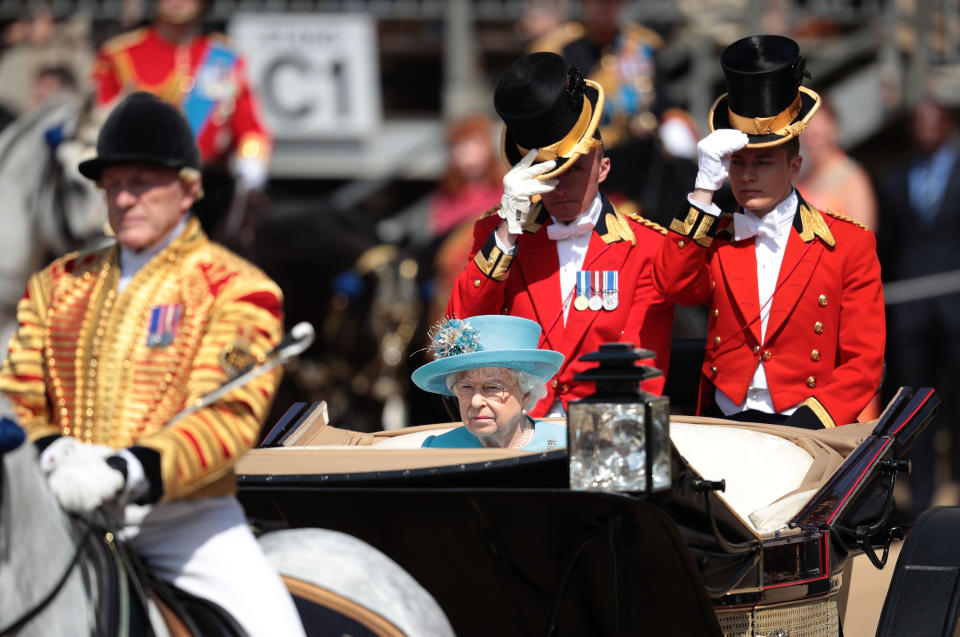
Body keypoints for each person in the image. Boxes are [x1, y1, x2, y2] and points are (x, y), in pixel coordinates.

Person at [0, 92, 304, 636]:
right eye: (113, 184)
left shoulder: (236, 288)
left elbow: (227, 416)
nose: (123, 198)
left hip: (183, 526)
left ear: (189, 188)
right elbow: (18, 396)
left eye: (142, 182)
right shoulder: (56, 284)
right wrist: (52, 453)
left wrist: (128, 469)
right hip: (56, 512)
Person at [653, 35, 885, 429]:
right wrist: (703, 190)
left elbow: (865, 361)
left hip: (809, 425)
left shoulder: (849, 243)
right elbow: (674, 284)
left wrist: (811, 424)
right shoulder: (716, 237)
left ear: (794, 167)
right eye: (737, 163)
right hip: (725, 423)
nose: (747, 176)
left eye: (763, 162)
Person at [446, 52, 674, 418]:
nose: (560, 186)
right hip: (517, 429)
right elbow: (461, 335)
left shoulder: (646, 247)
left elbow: (641, 364)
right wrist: (507, 232)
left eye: (574, 170)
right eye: (546, 173)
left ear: (603, 167)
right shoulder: (497, 235)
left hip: (606, 428)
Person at [90, 0, 272, 238]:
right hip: (140, 191)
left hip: (208, 193)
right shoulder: (121, 54)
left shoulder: (223, 56)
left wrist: (251, 161)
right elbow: (96, 124)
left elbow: (249, 126)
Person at [877, 98, 960, 515]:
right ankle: (924, 497)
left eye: (933, 121)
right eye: (917, 122)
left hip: (955, 310)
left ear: (948, 125)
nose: (924, 129)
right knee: (918, 405)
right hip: (910, 313)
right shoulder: (894, 180)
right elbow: (889, 246)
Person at [412, 315, 566, 450]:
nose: (476, 401)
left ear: (526, 395)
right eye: (466, 387)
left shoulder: (562, 445)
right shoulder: (439, 449)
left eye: (492, 387)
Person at [795, 99, 878, 230]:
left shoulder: (851, 177)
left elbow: (865, 236)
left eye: (816, 136)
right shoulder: (798, 176)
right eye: (806, 137)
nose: (811, 143)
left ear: (832, 129)